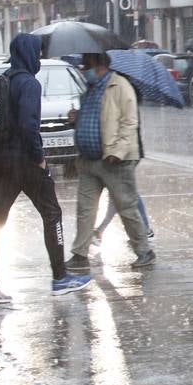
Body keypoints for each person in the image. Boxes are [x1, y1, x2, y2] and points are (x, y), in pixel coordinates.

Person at [0, 34, 91, 303]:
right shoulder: (29, 84)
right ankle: (60, 278)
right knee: (52, 213)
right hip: (25, 161)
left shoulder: (4, 80)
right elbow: (29, 126)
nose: (38, 57)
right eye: (36, 52)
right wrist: (39, 158)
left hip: (1, 158)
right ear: (28, 53)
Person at [67, 52, 155, 270]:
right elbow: (92, 117)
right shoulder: (89, 89)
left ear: (99, 65)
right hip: (88, 160)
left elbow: (129, 123)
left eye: (86, 65)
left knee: (127, 207)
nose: (83, 69)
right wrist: (76, 119)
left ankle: (144, 250)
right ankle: (79, 254)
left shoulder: (120, 86)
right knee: (85, 209)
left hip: (114, 160)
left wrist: (118, 151)